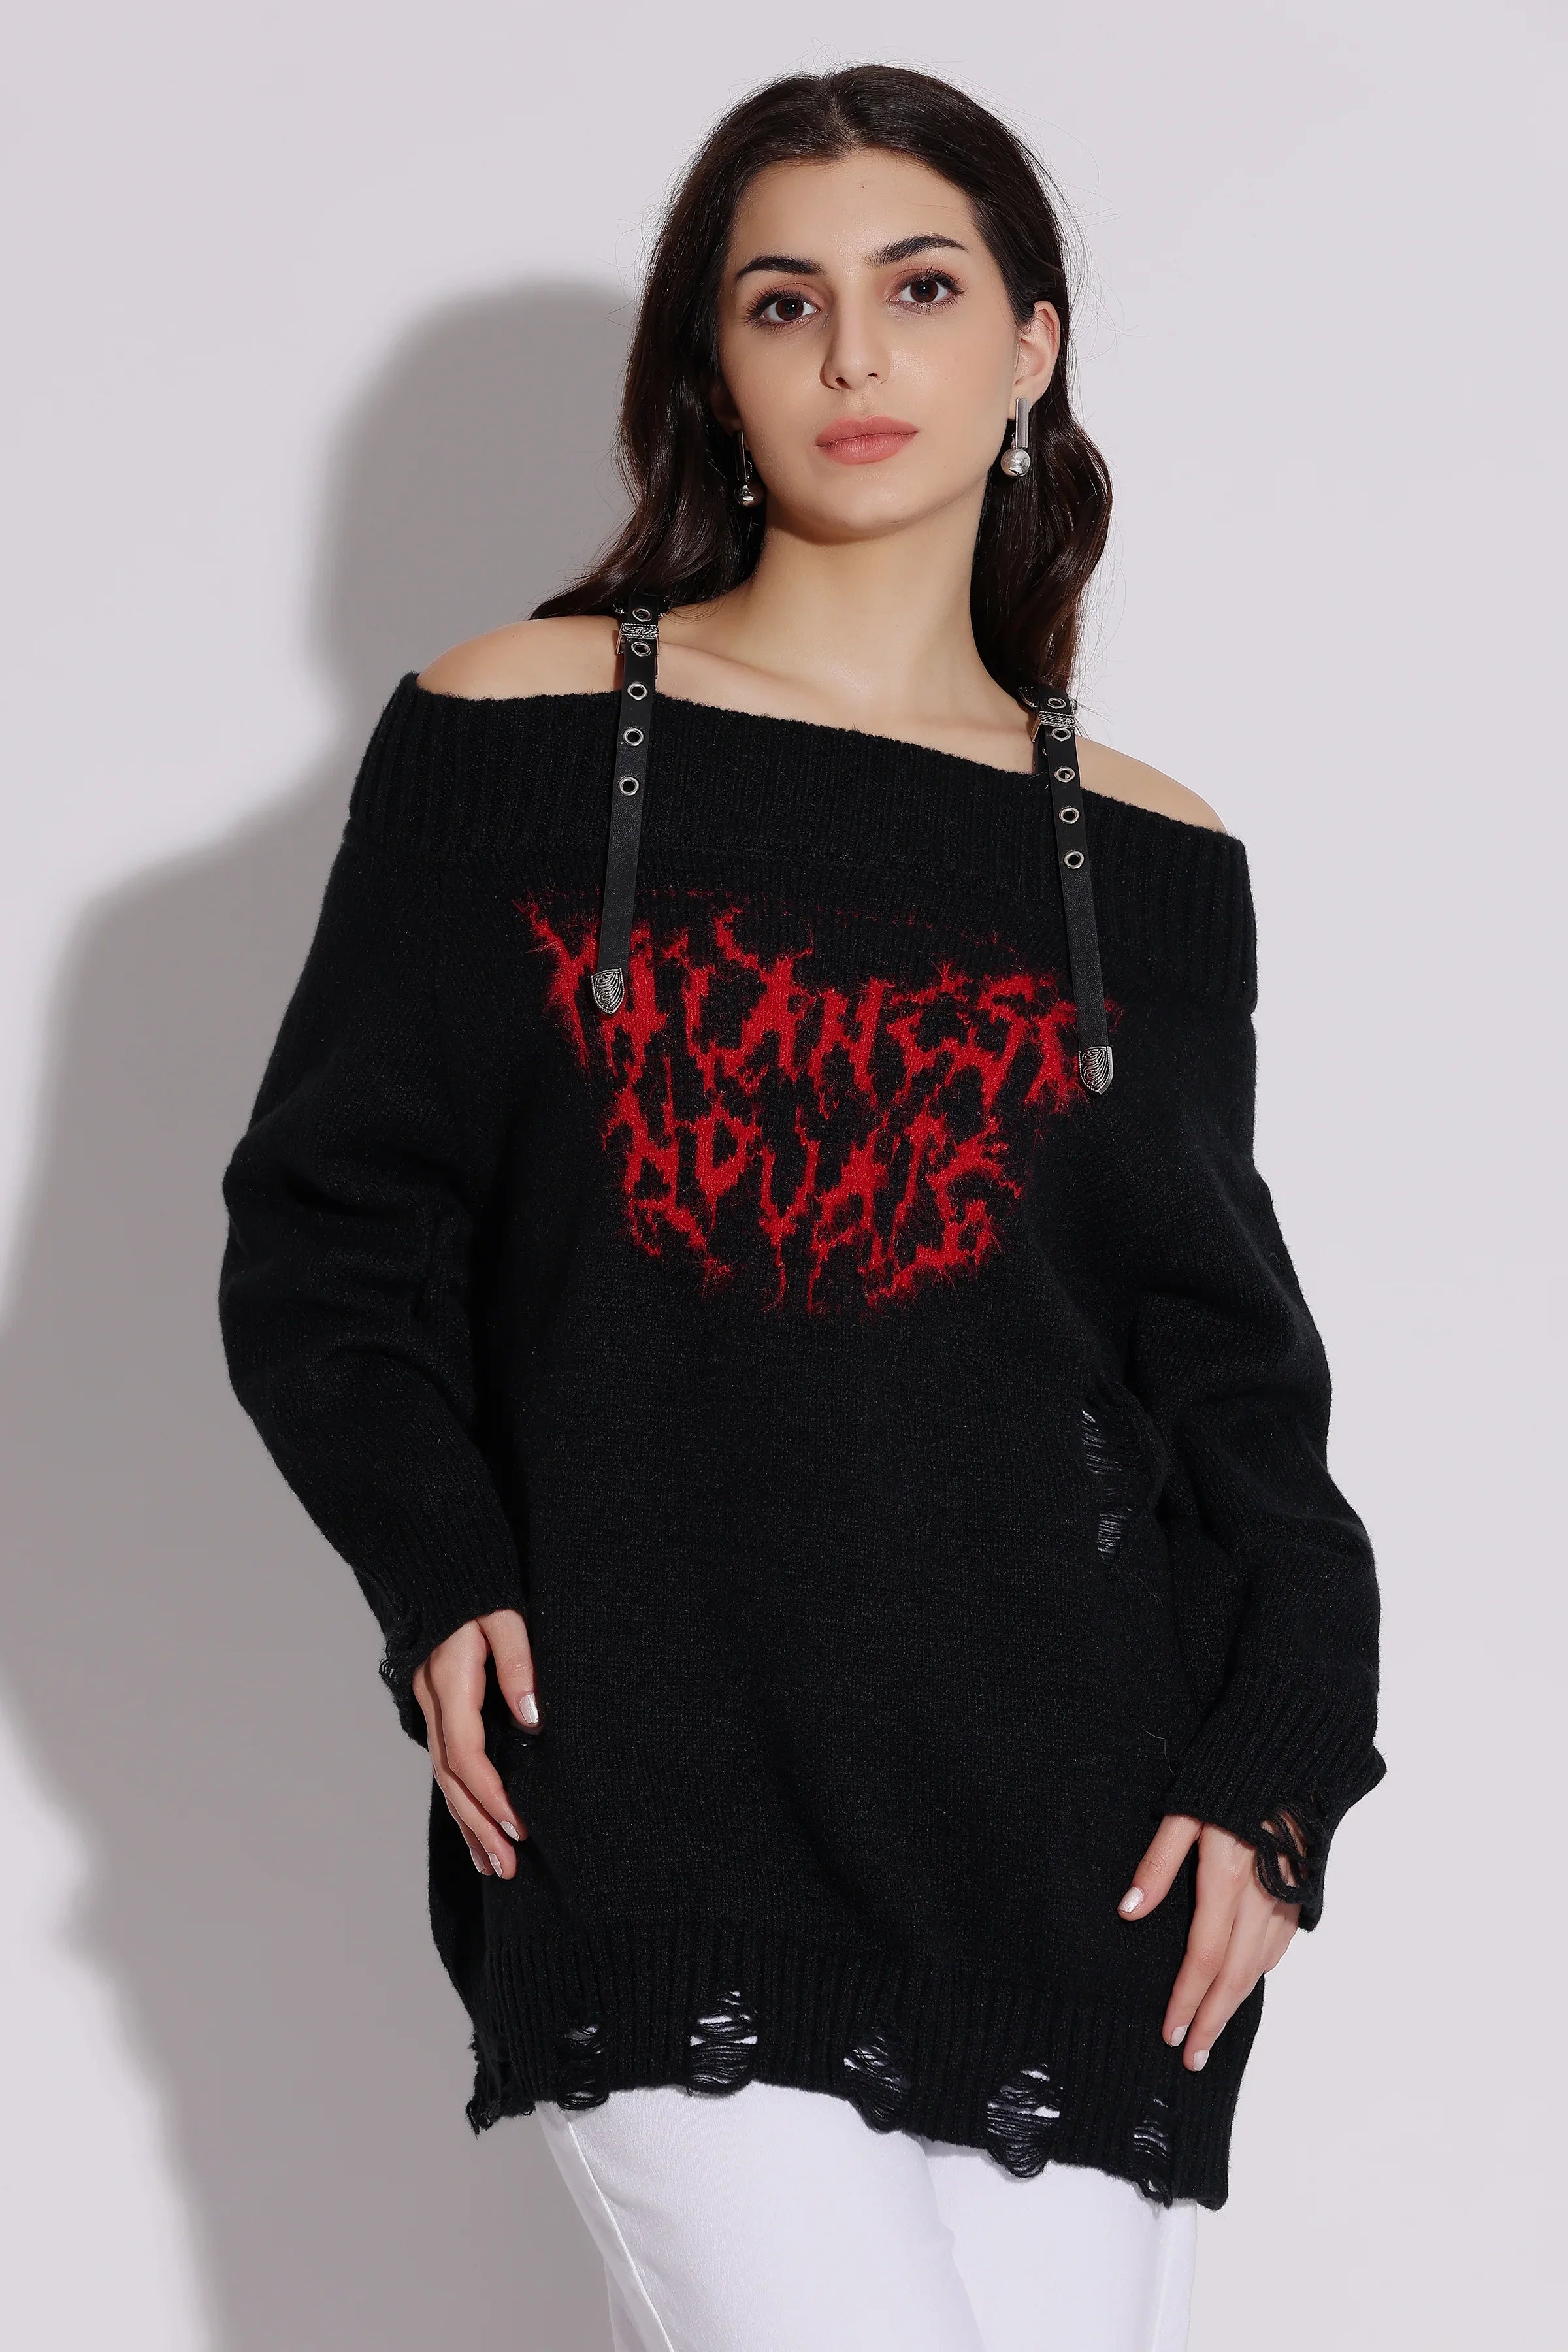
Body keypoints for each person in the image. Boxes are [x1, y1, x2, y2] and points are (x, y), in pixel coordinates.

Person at [218, 62, 1386, 2352]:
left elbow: (1238, 1400)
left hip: (1079, 1861)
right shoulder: (519, 729)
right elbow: (326, 1233)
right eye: (785, 301)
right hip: (656, 1798)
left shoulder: (1148, 854)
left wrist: (1275, 1779)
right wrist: (436, 1566)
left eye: (921, 289)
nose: (856, 353)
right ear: (715, 367)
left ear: (1030, 347)